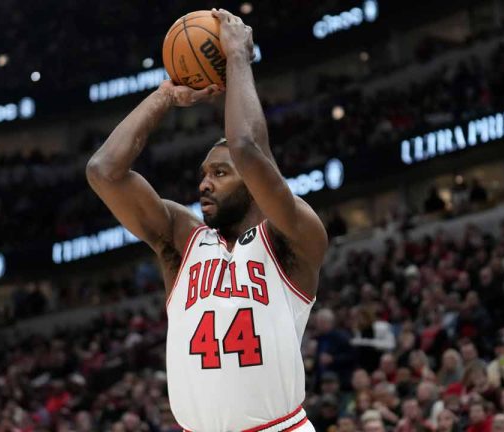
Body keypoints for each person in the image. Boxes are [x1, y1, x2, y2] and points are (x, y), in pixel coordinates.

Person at [86, 8, 328, 432]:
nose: (204, 184)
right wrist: (164, 96)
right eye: (202, 175)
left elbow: (248, 147)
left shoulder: (293, 236)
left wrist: (237, 57)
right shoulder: (183, 241)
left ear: (254, 184)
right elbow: (104, 171)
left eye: (219, 173)